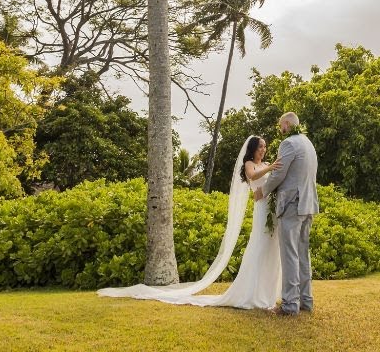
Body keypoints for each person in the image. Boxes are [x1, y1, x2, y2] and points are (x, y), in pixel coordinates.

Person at [96, 135, 282, 308]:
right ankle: (252, 293)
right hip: (261, 209)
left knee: (271, 247)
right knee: (259, 245)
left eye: (264, 146)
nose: (263, 150)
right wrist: (270, 167)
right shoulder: (250, 164)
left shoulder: (266, 163)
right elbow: (252, 176)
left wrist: (271, 171)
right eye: (260, 147)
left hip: (271, 209)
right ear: (252, 149)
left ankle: (268, 292)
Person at [255, 112, 319, 316]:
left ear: (287, 124)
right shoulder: (308, 143)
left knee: (290, 254)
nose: (280, 129)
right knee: (302, 253)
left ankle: (290, 304)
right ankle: (306, 301)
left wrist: (262, 191)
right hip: (308, 204)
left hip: (292, 204)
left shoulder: (289, 143)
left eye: (281, 125)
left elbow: (279, 173)